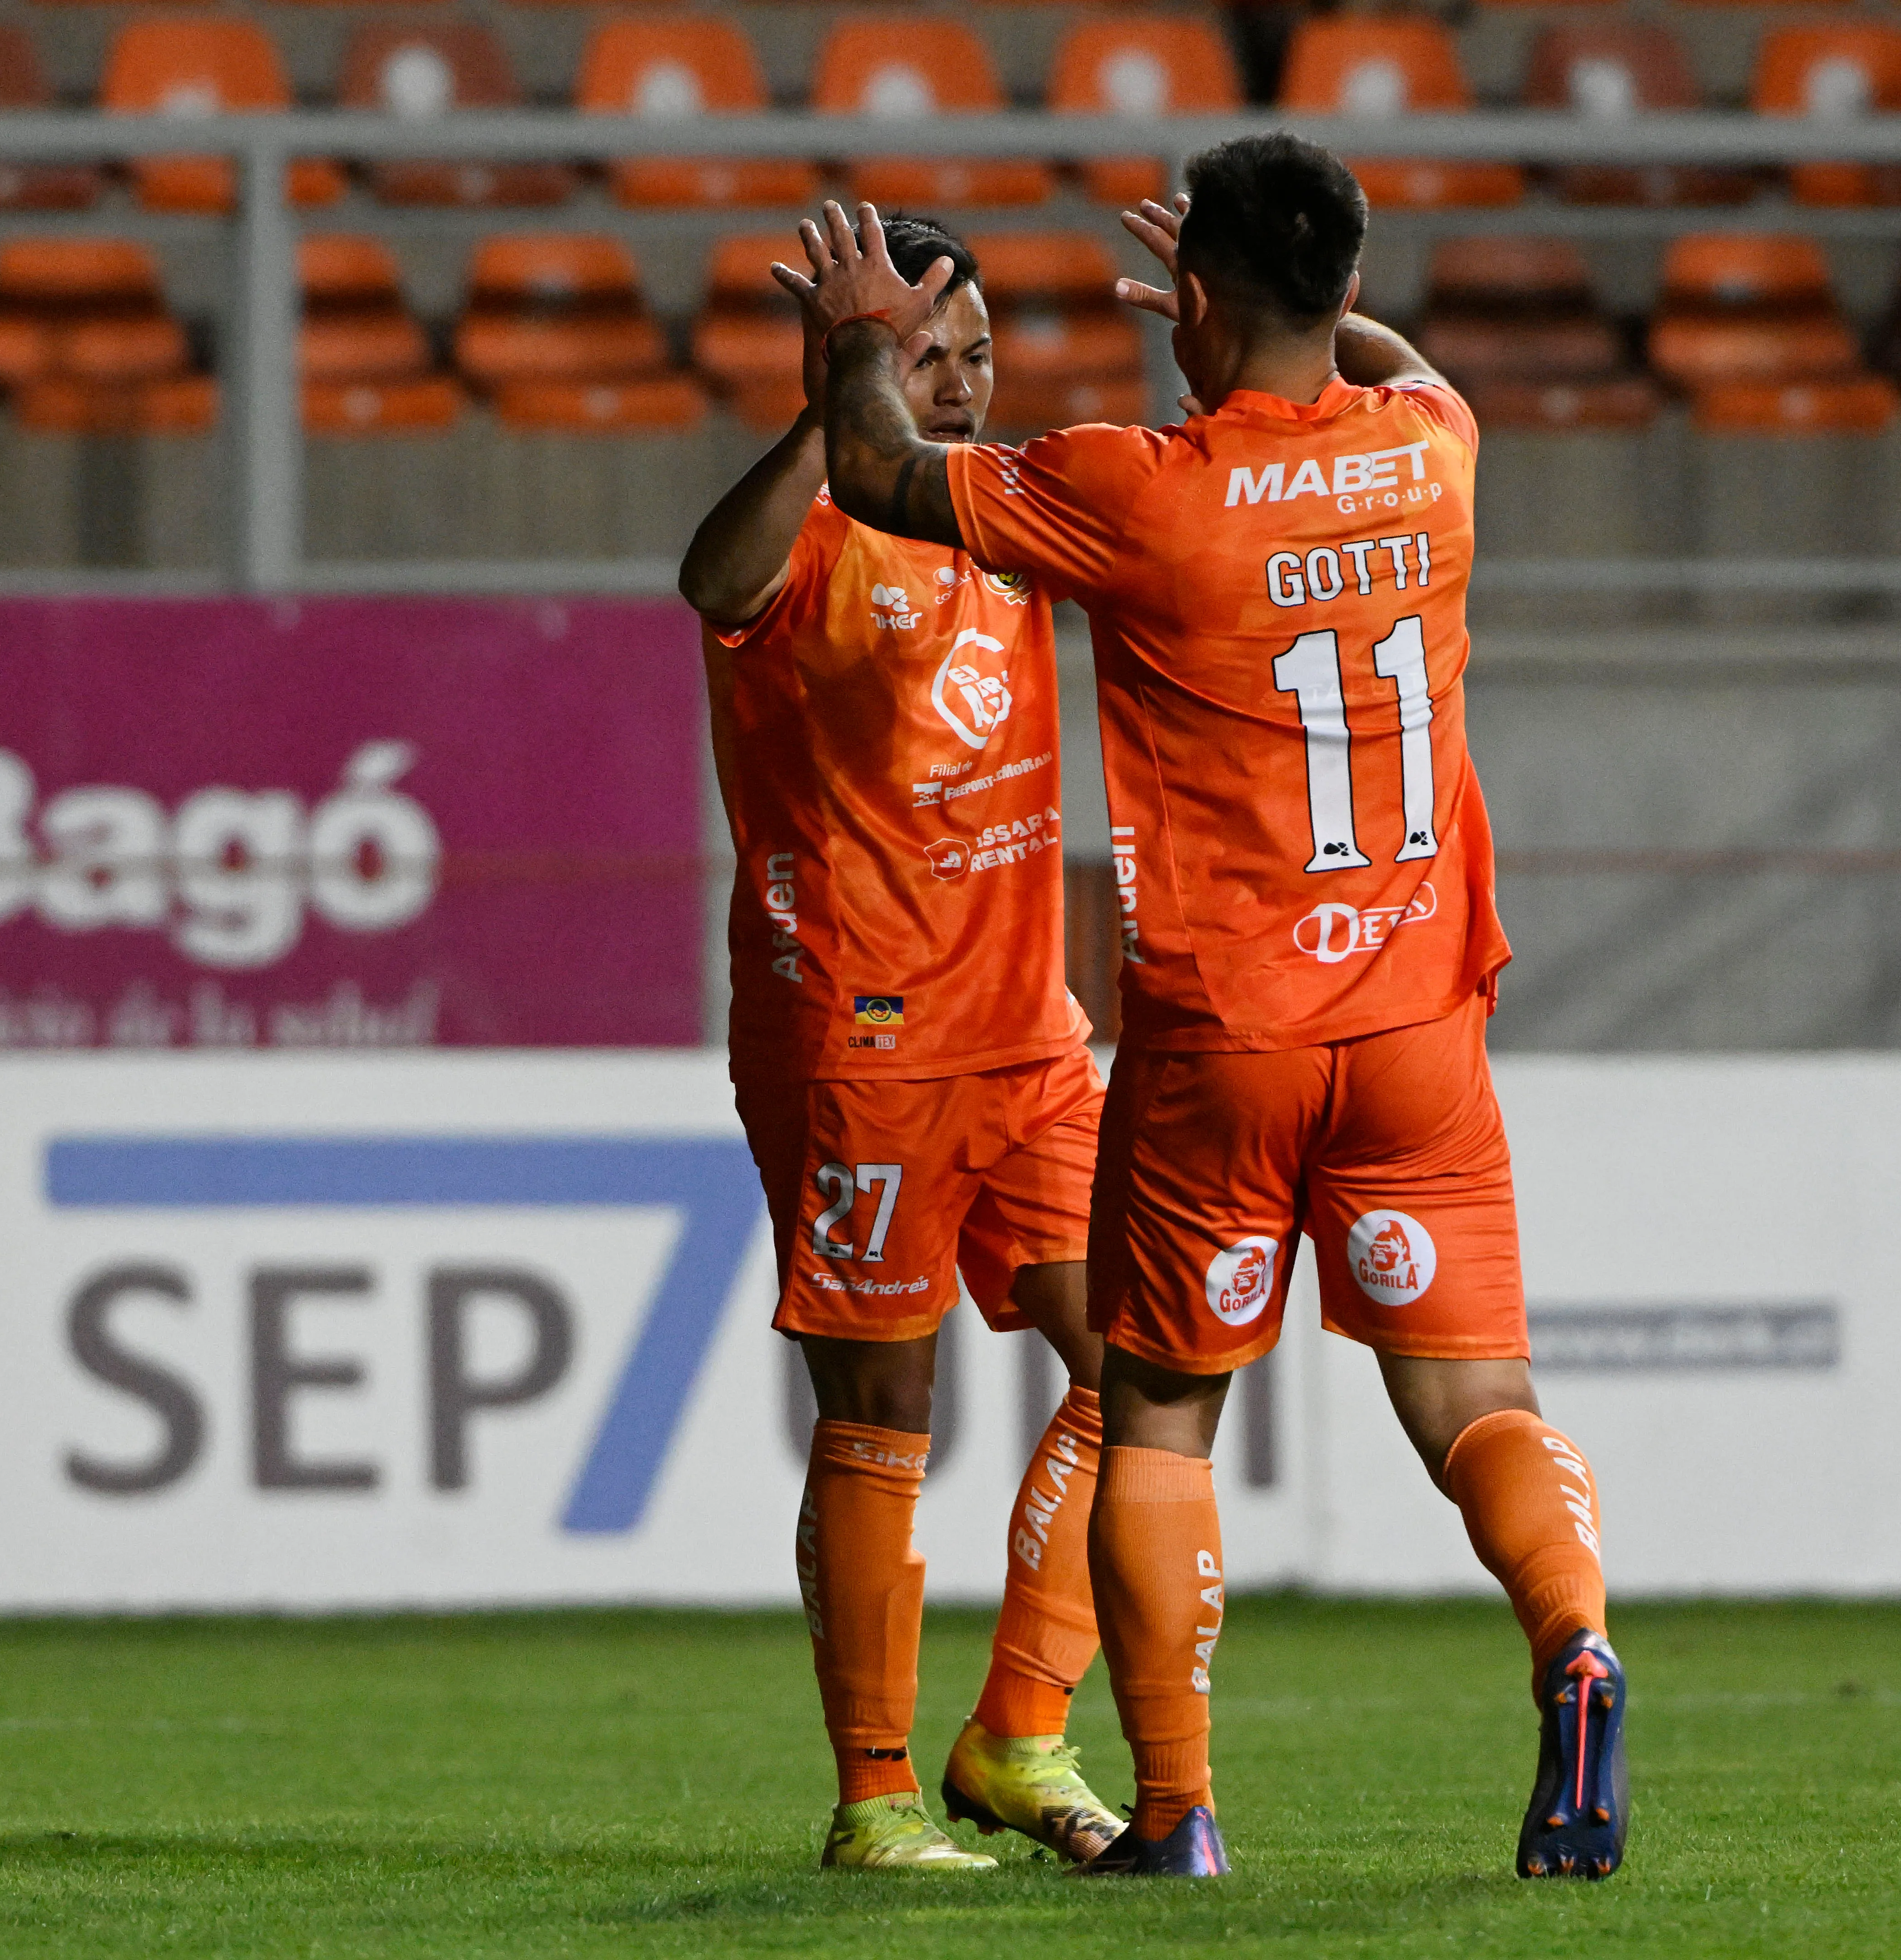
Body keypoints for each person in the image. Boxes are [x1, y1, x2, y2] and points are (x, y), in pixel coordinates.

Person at [779, 144, 1624, 1882]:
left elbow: (874, 471)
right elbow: (1411, 374)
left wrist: (865, 335)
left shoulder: (1139, 486)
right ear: (1336, 290)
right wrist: (1308, 311)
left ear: (1196, 303)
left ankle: (1173, 1806)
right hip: (1418, 1028)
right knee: (1474, 1394)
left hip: (1225, 1038)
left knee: (1158, 1410)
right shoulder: (1434, 457)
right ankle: (1573, 1641)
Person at [675, 215, 1122, 1874]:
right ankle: (870, 1792)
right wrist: (835, 403)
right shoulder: (800, 528)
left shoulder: (997, 504)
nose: (963, 381)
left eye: (978, 351)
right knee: (883, 1401)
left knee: (1141, 1358)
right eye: (924, 354)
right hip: (852, 1023)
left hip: (1025, 1029)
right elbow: (708, 583)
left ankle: (1013, 1733)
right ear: (850, 364)